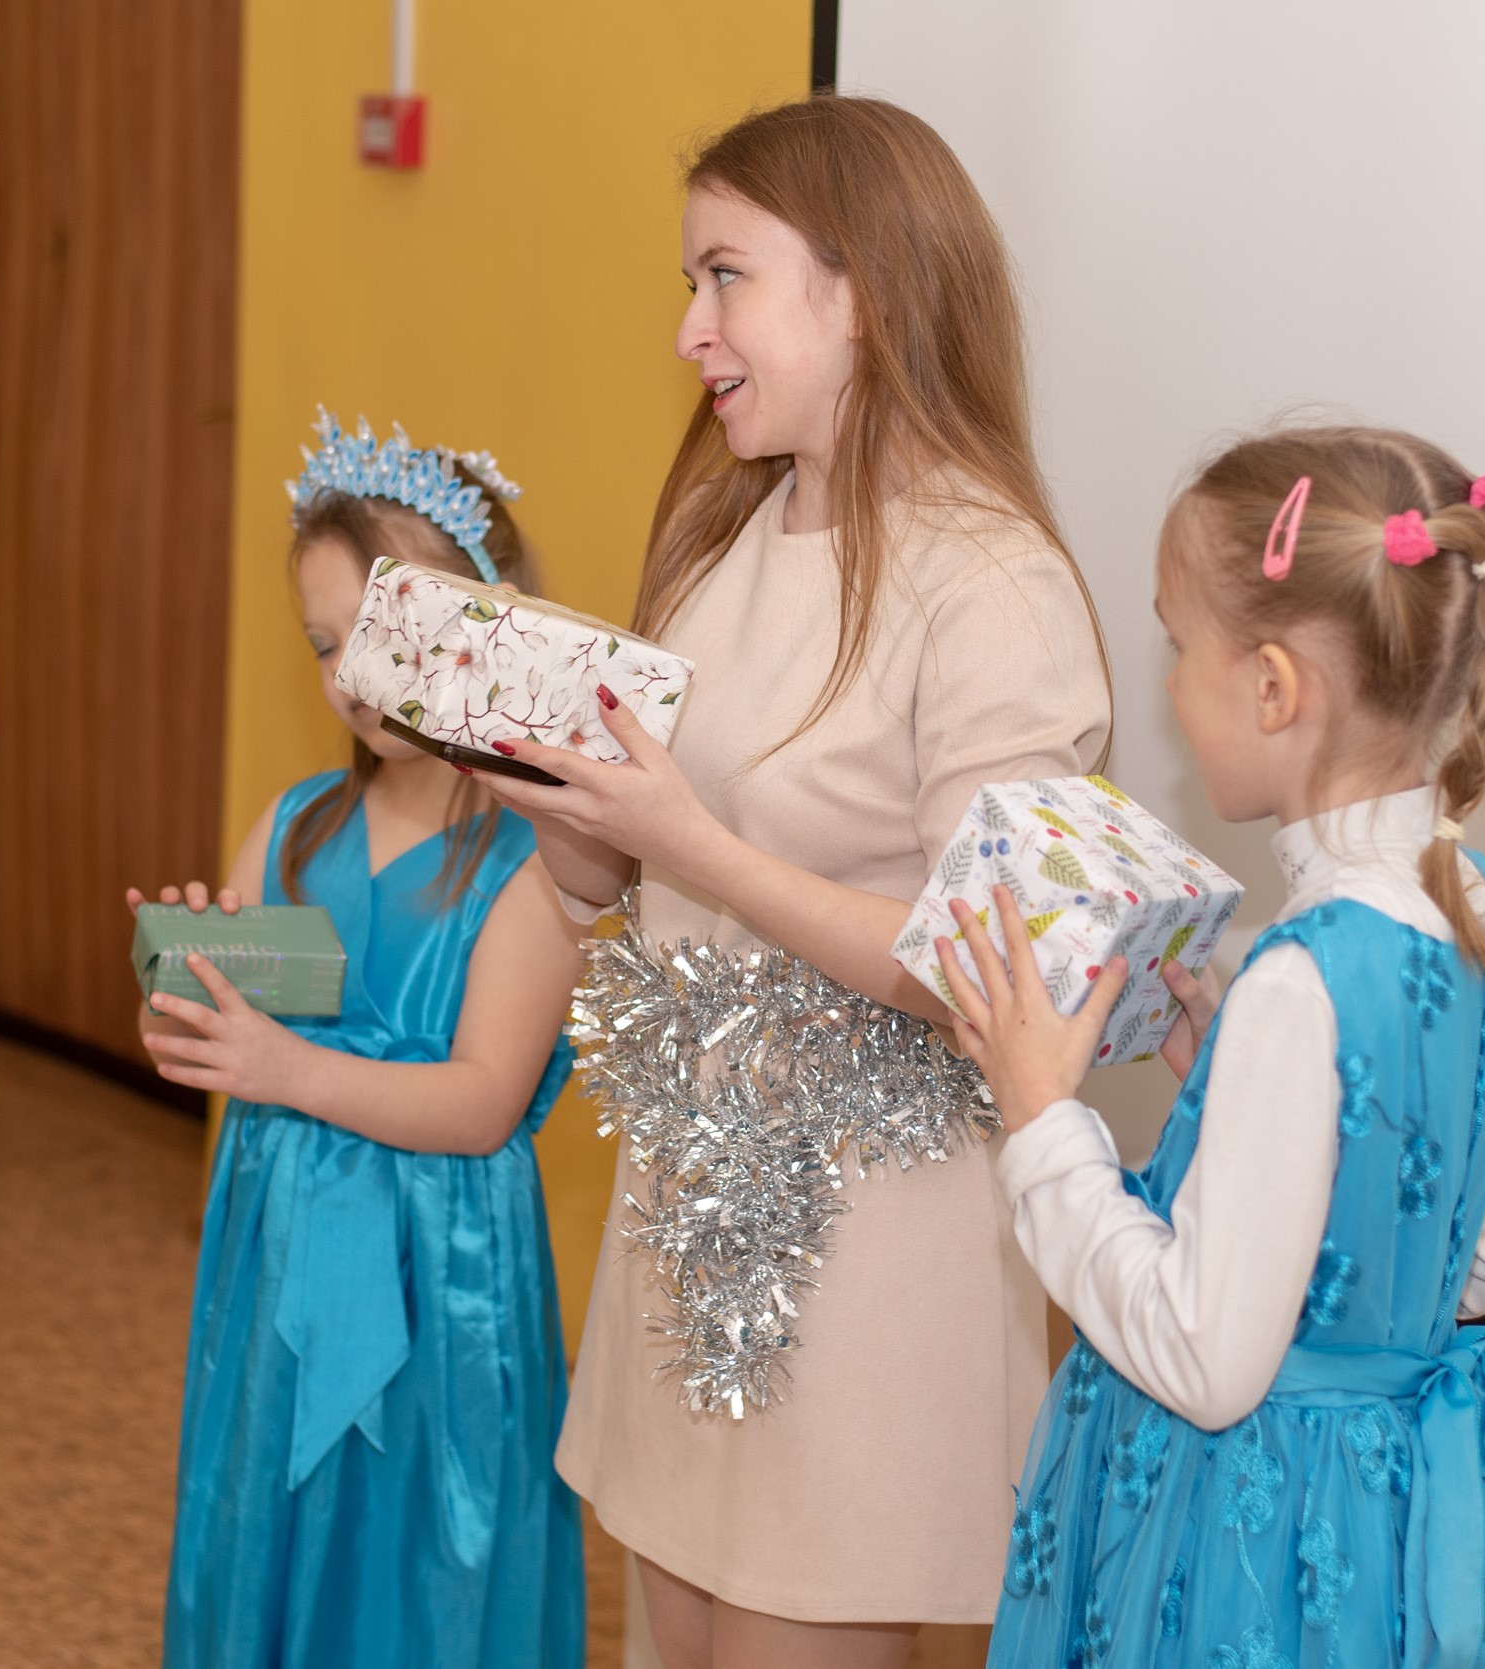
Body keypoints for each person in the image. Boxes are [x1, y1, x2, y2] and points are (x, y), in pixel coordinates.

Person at [484, 97, 1112, 1668]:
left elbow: (990, 970)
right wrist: (567, 814)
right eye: (691, 283)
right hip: (695, 1218)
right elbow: (633, 883)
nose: (688, 330)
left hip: (871, 1254)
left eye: (726, 277)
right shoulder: (725, 534)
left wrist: (694, 842)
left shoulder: (990, 580)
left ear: (867, 293)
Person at [936, 429, 1485, 1668]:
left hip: (1246, 1548)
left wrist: (1043, 1119)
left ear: (1274, 689)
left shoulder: (1300, 975)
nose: (1170, 686)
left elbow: (1203, 1359)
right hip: (1377, 1535)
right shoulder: (1477, 911)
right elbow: (1473, 1265)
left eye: (1179, 647)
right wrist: (1239, 1101)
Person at [136, 416, 586, 1668]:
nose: (348, 675)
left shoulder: (535, 860)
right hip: (281, 1247)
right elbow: (216, 1032)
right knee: (272, 1511)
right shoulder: (294, 824)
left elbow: (484, 1102)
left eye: (380, 633)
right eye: (325, 644)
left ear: (477, 627)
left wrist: (285, 1069)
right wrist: (182, 996)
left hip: (441, 1265)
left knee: (418, 1553)